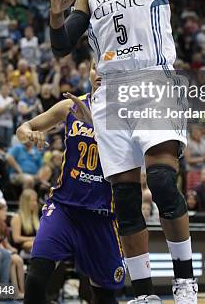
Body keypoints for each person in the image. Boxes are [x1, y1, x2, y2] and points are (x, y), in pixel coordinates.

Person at [49, 0, 197, 303]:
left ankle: (184, 280)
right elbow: (62, 47)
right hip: (110, 93)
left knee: (163, 180)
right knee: (126, 201)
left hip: (153, 80)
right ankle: (142, 293)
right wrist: (54, 17)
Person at [16, 60, 125, 304]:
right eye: (96, 67)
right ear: (89, 71)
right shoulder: (70, 106)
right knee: (34, 280)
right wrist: (29, 133)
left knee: (103, 297)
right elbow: (25, 126)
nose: (100, 74)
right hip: (64, 208)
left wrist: (96, 123)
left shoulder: (125, 113)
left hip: (101, 215)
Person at [0, 202, 25, 298]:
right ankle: (15, 291)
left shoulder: (3, 224)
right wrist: (8, 251)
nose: (5, 213)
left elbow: (5, 241)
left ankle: (22, 290)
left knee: (18, 260)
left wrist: (12, 249)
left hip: (4, 250)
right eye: (3, 211)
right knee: (14, 260)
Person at [10, 189, 39, 256]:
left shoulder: (35, 217)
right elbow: (16, 238)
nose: (35, 203)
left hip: (34, 245)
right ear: (26, 203)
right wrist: (32, 239)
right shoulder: (17, 217)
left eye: (36, 200)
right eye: (33, 201)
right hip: (21, 249)